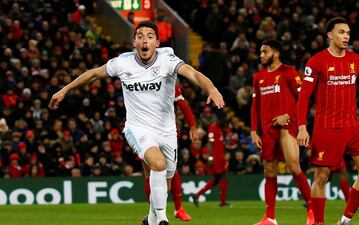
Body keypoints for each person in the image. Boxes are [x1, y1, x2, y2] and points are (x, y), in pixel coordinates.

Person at [49, 21, 224, 225]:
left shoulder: (168, 59)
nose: (144, 40)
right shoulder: (123, 62)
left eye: (149, 36)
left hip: (167, 130)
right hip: (137, 128)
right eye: (140, 36)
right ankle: (162, 220)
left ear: (157, 42)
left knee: (165, 183)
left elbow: (193, 73)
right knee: (157, 165)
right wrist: (65, 89)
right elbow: (94, 73)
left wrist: (211, 88)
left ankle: (149, 220)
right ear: (134, 42)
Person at [296, 17, 359, 225]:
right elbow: (304, 97)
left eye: (348, 33)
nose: (346, 36)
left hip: (351, 126)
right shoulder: (317, 62)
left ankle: (345, 220)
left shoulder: (356, 61)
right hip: (326, 127)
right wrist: (302, 126)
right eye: (341, 32)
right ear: (330, 35)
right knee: (321, 176)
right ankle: (318, 222)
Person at [250, 40, 314, 225]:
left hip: (287, 127)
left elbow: (303, 99)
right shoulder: (258, 77)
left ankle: (312, 211)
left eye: (265, 52)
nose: (261, 55)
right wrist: (254, 130)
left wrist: (289, 115)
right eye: (260, 52)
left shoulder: (289, 72)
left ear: (276, 53)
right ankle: (270, 217)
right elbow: (255, 106)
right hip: (267, 130)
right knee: (269, 171)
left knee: (294, 167)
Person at [142, 85, 197, 223]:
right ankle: (154, 216)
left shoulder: (169, 83)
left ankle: (173, 210)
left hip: (166, 132)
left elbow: (182, 104)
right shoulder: (139, 79)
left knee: (168, 174)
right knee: (151, 174)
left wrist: (192, 124)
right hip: (144, 132)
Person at [191, 109, 229, 208]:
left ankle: (197, 195)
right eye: (223, 119)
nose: (224, 122)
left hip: (220, 157)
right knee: (223, 178)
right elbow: (210, 144)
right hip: (216, 158)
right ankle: (222, 202)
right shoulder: (213, 128)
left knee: (216, 180)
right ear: (219, 119)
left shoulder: (220, 128)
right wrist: (211, 158)